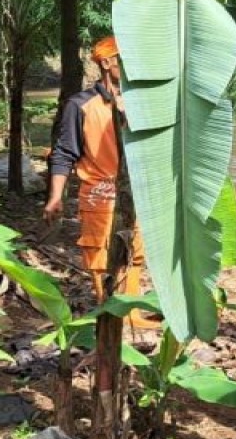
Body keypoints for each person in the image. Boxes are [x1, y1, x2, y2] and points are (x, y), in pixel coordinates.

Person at [43, 36, 154, 328]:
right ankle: (112, 315)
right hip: (100, 194)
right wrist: (55, 198)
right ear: (106, 63)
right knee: (101, 257)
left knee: (137, 253)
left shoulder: (142, 104)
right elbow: (64, 153)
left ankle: (132, 315)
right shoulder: (81, 106)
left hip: (138, 192)